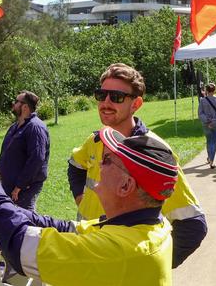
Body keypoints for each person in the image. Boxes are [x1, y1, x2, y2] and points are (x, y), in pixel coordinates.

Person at [0, 126, 178, 285]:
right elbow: (69, 229)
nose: (98, 166)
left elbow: (21, 247)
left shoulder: (118, 251)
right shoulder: (149, 228)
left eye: (107, 160)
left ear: (125, 186)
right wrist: (1, 205)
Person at [68, 63, 207, 268]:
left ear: (136, 103)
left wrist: (146, 266)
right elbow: (75, 165)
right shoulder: (96, 140)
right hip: (88, 252)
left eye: (116, 97)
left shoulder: (153, 154)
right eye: (101, 95)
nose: (106, 102)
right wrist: (81, 199)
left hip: (118, 267)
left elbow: (193, 225)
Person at [0, 90, 50, 210]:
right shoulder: (15, 126)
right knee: (9, 220)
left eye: (16, 101)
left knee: (25, 221)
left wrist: (19, 186)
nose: (13, 104)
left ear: (25, 107)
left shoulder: (35, 127)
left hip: (24, 189)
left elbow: (36, 159)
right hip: (8, 184)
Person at [198, 83, 216, 169]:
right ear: (215, 90)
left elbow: (200, 113)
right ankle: (211, 160)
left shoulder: (202, 100)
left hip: (205, 124)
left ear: (206, 90)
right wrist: (213, 122)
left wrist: (207, 121)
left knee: (209, 141)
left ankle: (209, 158)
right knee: (214, 142)